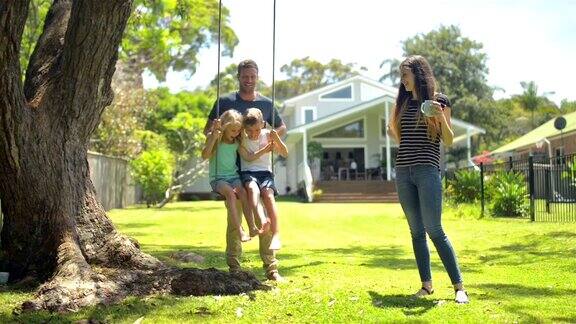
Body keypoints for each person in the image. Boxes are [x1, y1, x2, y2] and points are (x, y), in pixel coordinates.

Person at [388, 55, 469, 304]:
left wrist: (441, 116)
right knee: (416, 232)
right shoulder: (401, 105)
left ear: (418, 74)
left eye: (405, 75)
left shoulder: (438, 101)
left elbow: (448, 139)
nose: (402, 81)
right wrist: (391, 131)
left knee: (435, 230)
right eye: (401, 76)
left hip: (427, 171)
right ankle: (426, 286)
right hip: (403, 171)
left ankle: (459, 287)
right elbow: (402, 139)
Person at [204, 59, 286, 281]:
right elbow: (208, 130)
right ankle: (234, 267)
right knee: (235, 222)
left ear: (257, 77)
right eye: (245, 76)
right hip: (232, 172)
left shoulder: (267, 105)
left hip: (257, 172)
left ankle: (271, 268)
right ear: (238, 77)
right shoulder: (225, 101)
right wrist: (216, 130)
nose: (248, 80)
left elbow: (281, 127)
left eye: (252, 76)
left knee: (263, 219)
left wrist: (269, 137)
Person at [201, 110, 262, 242]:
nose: (236, 133)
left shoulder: (236, 143)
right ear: (224, 128)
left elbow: (248, 157)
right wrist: (213, 137)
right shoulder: (215, 139)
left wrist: (265, 149)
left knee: (243, 193)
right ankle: (240, 231)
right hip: (218, 179)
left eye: (238, 130)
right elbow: (205, 155)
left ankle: (252, 227)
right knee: (230, 194)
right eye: (233, 130)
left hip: (233, 177)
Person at [240, 108, 288, 252]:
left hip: (265, 173)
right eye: (249, 131)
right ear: (244, 128)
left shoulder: (268, 135)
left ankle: (276, 235)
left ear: (262, 124)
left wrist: (277, 138)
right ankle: (262, 221)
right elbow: (248, 157)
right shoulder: (241, 137)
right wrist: (264, 150)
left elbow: (285, 153)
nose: (253, 134)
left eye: (256, 130)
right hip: (248, 172)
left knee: (268, 195)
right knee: (252, 189)